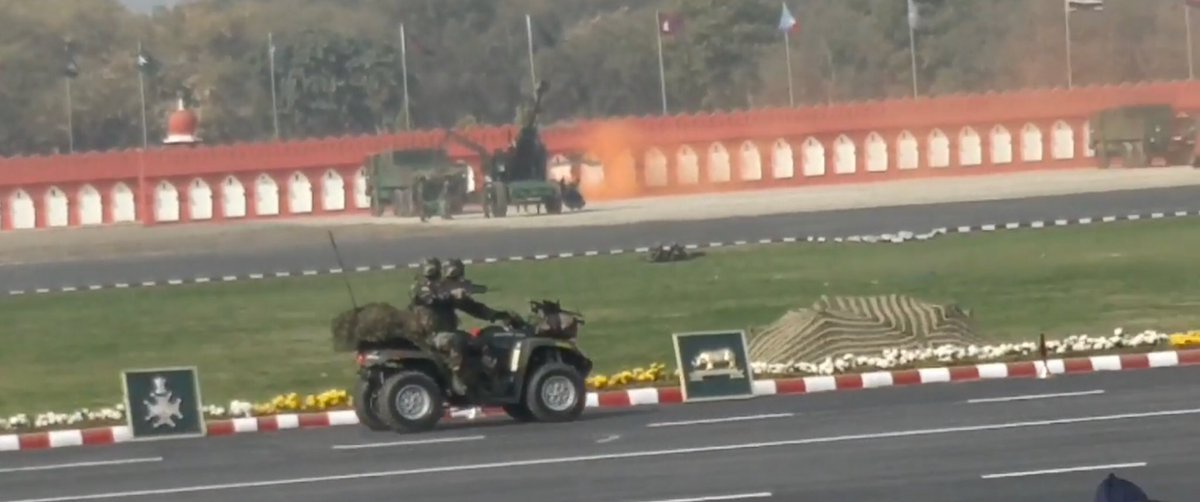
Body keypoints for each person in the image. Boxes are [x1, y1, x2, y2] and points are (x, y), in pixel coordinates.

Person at [409, 257, 505, 395]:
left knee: (482, 342)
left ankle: (485, 381)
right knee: (455, 340)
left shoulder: (443, 289)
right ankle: (457, 380)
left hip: (441, 334)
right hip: (429, 336)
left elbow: (472, 307)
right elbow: (430, 298)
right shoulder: (420, 288)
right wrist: (452, 294)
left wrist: (496, 315)